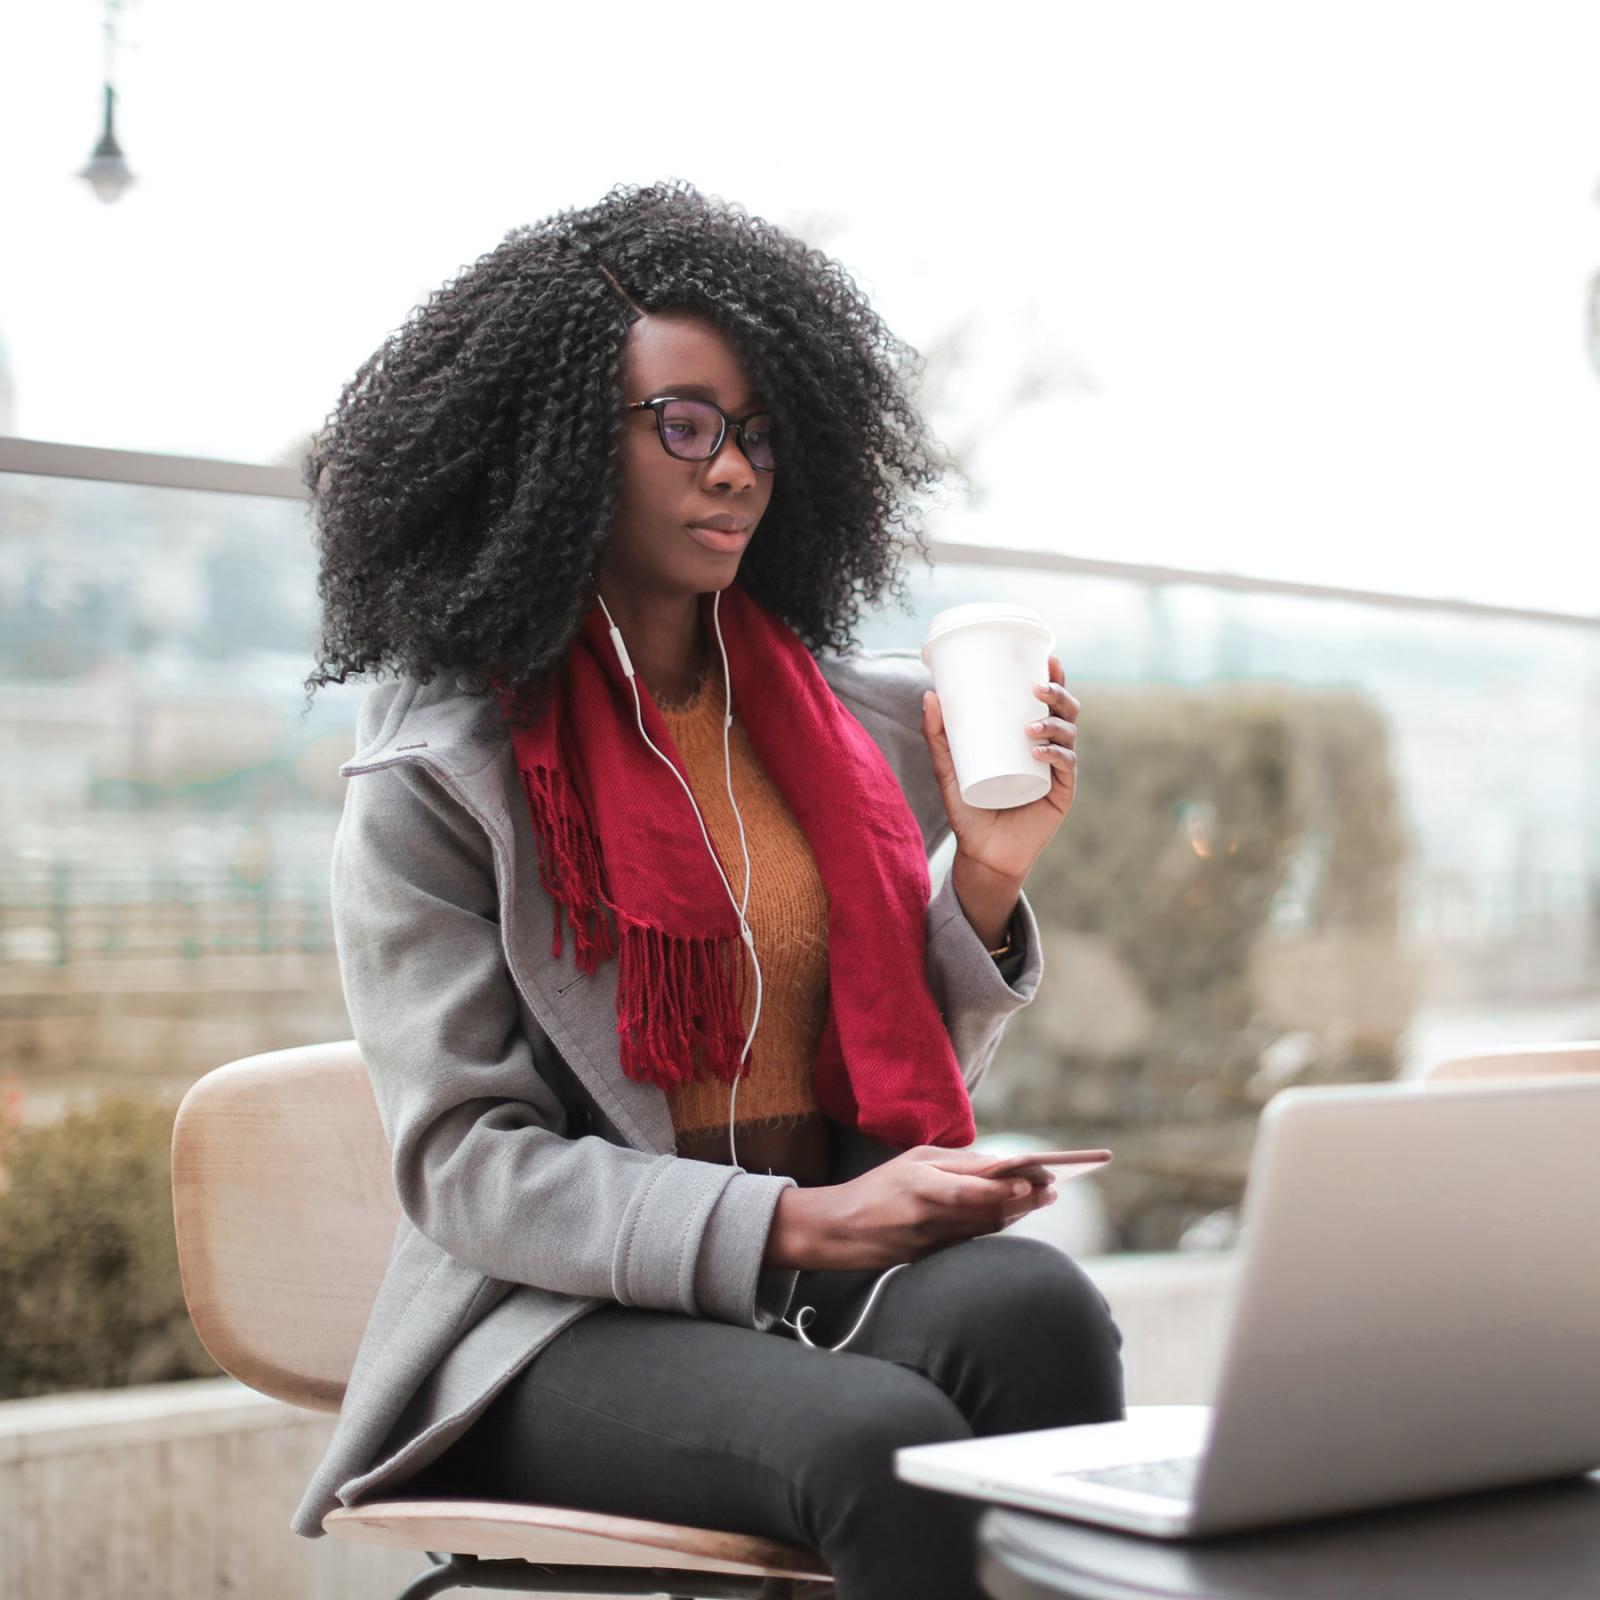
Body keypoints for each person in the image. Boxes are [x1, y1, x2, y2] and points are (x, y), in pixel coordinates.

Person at [293, 178, 1123, 1599]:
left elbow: (875, 1051)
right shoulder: (442, 771)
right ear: (552, 445)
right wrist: (800, 1225)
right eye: (684, 424)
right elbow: (466, 1169)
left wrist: (985, 873)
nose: (733, 469)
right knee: (882, 1442)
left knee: (1042, 1308)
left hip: (810, 1264)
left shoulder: (849, 725)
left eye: (757, 432)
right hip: (555, 1321)